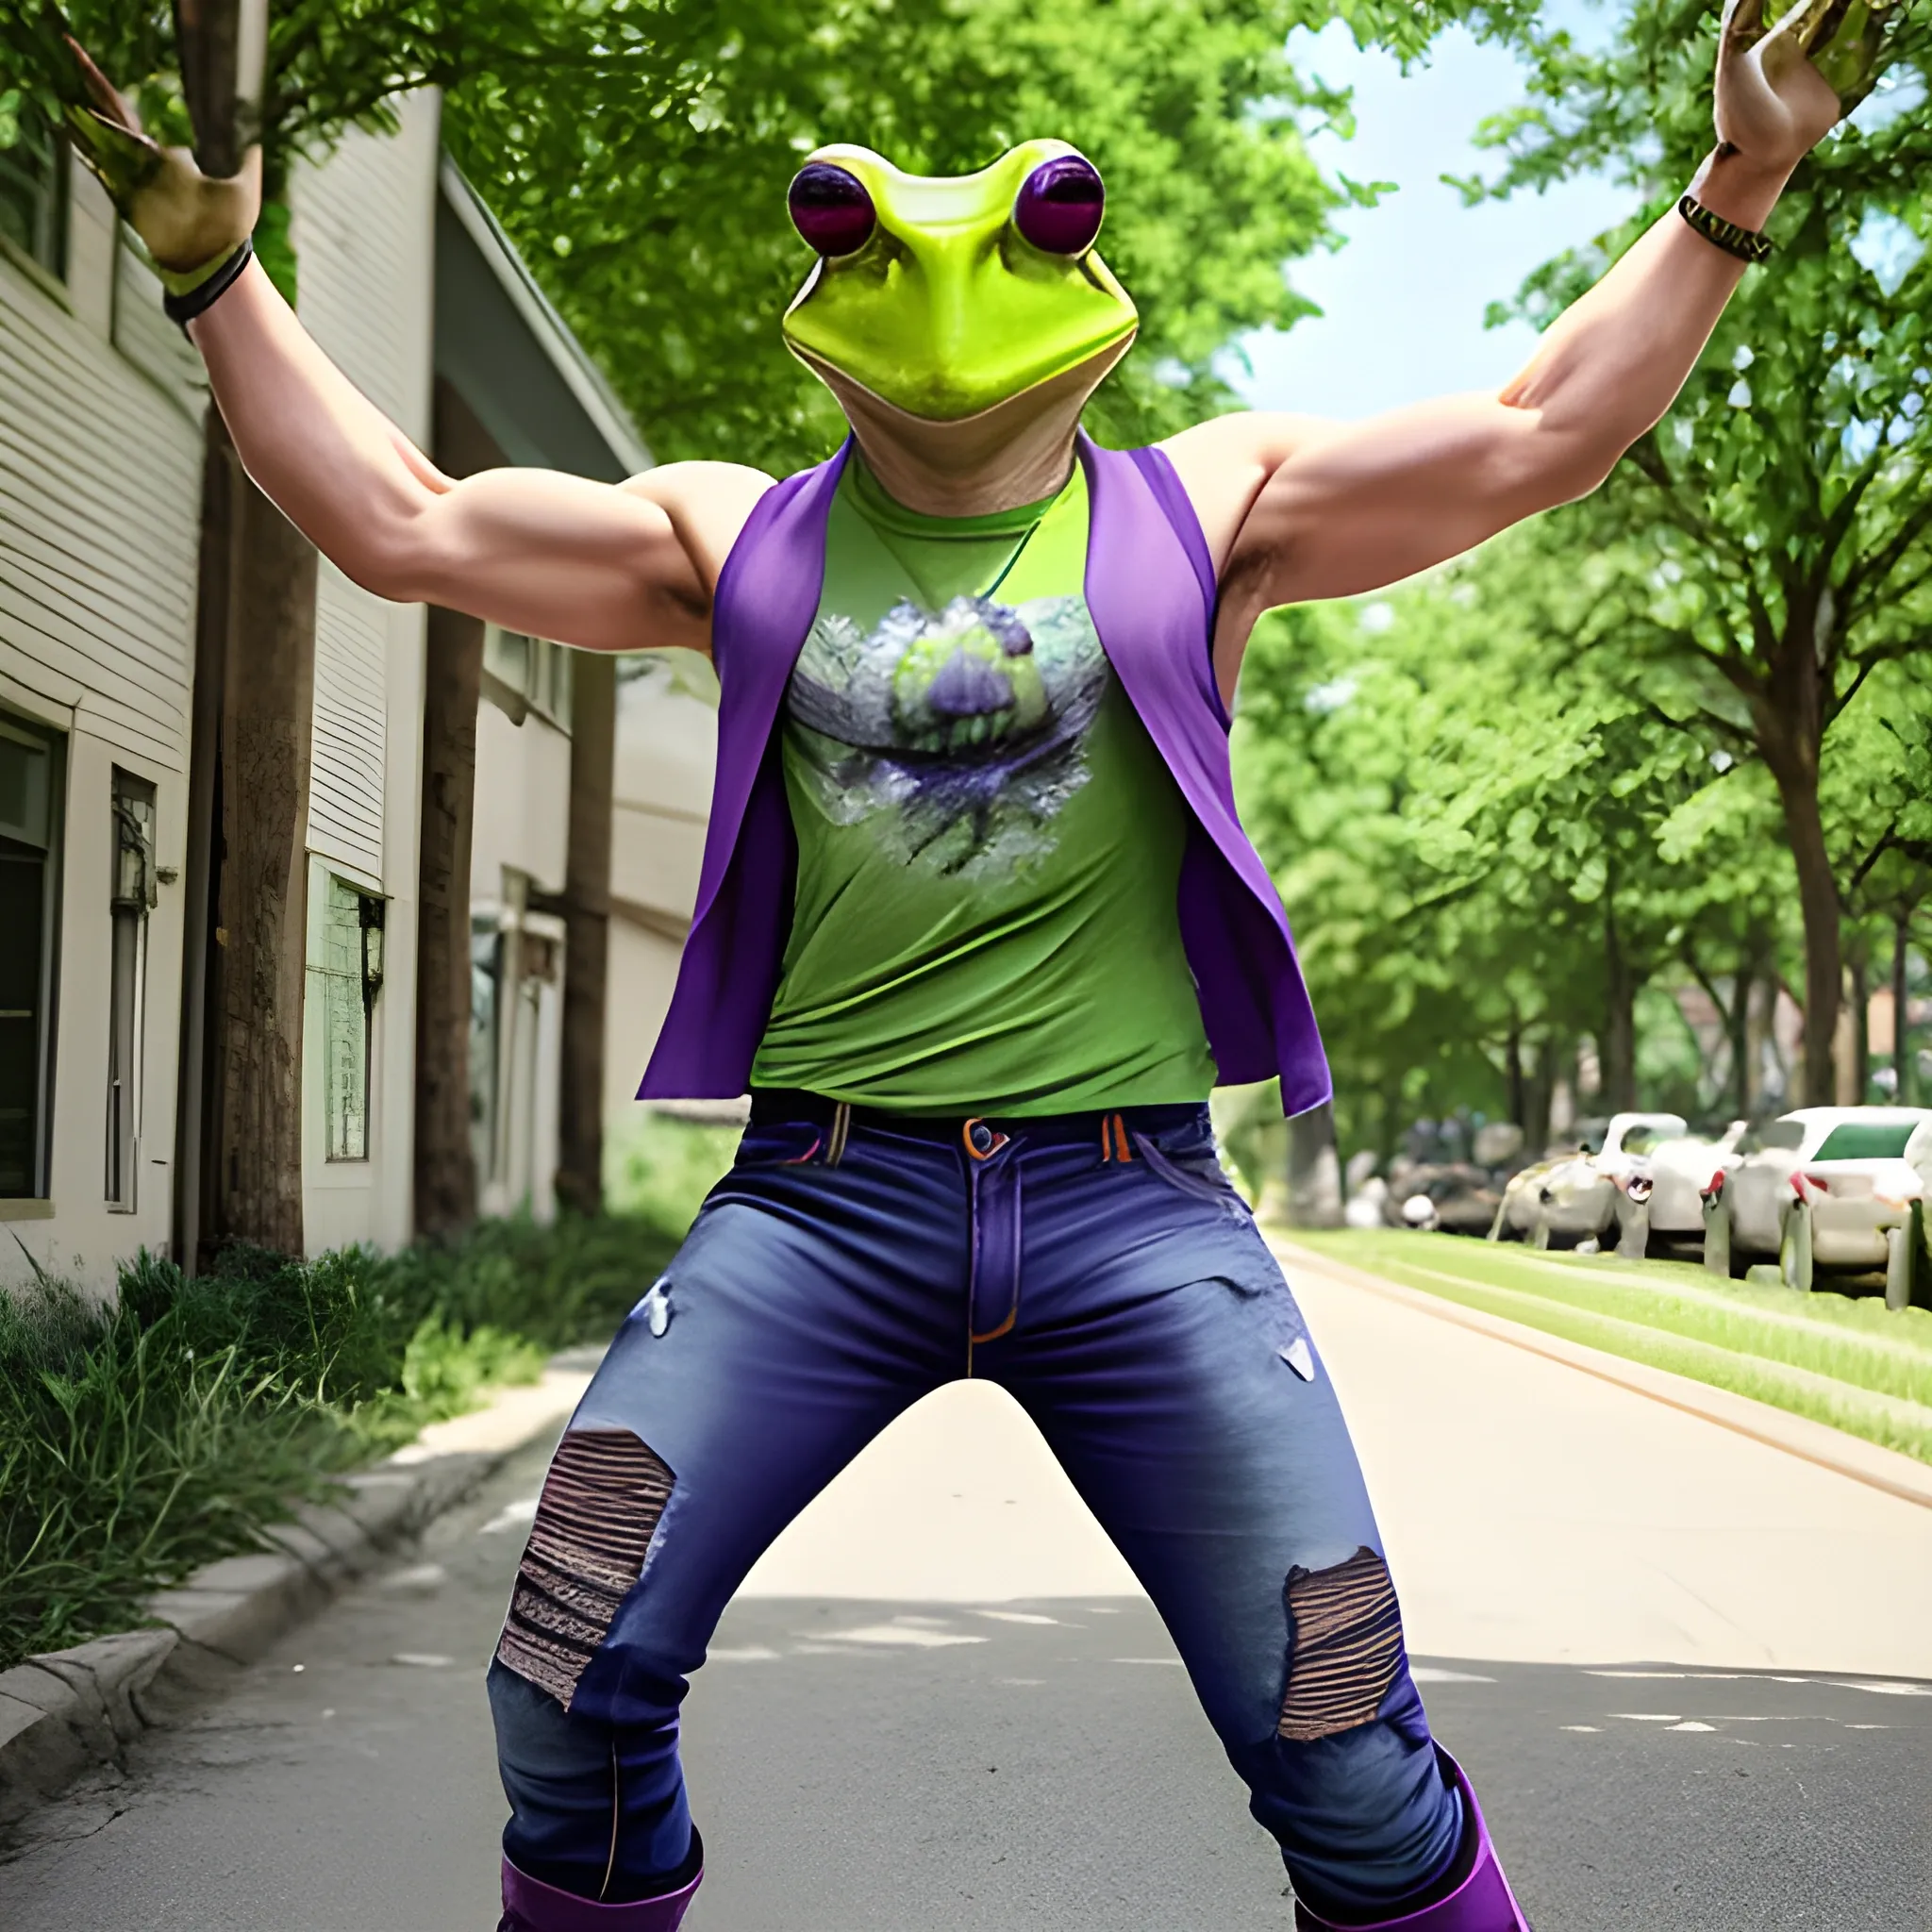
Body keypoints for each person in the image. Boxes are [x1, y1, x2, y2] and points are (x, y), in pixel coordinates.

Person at [61, 3, 1883, 1924]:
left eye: (1035, 223)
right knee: (565, 1663)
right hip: (821, 1204)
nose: (935, 285)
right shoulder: (732, 537)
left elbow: (1541, 432)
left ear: (1084, 268)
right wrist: (216, 275)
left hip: (1134, 1213)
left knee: (1342, 1726)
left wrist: (1741, 173)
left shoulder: (1202, 512)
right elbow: (403, 521)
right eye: (848, 234)